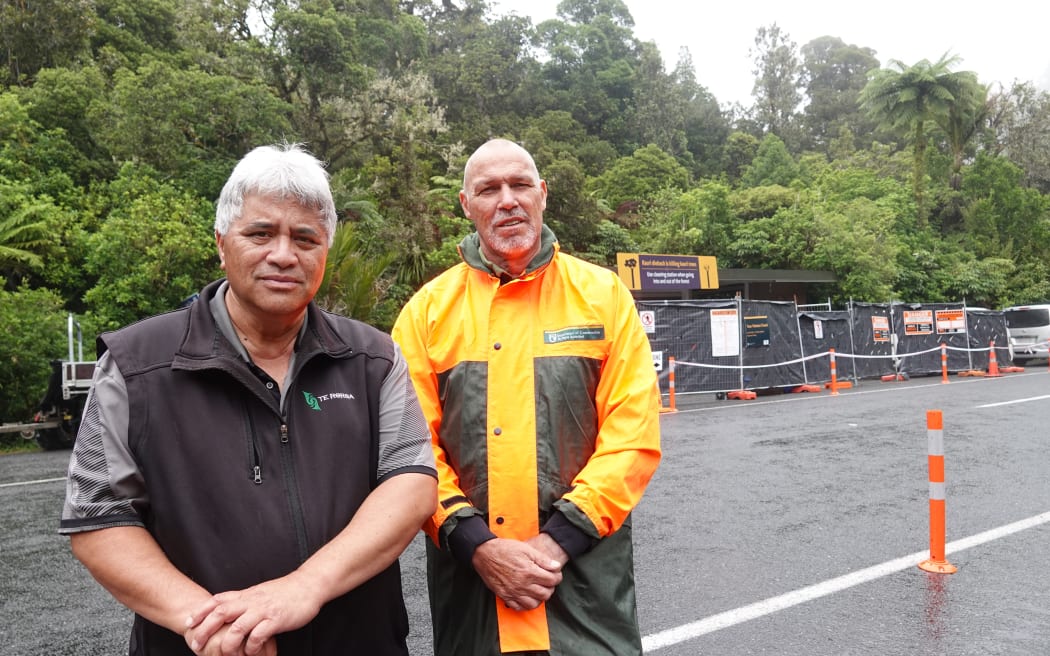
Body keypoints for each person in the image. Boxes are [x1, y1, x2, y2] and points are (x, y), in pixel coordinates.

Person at [60, 143, 438, 656]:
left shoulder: (372, 359)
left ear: (325, 250)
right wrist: (211, 626)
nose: (283, 255)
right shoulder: (135, 366)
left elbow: (410, 482)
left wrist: (305, 586)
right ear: (221, 243)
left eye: (305, 238)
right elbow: (100, 515)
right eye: (260, 233)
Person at [391, 138, 662, 655]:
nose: (507, 200)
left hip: (583, 595)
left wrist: (555, 543)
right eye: (488, 189)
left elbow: (632, 440)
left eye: (519, 185)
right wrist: (478, 548)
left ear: (542, 193)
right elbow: (410, 452)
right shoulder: (426, 313)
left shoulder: (603, 297)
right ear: (467, 206)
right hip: (473, 599)